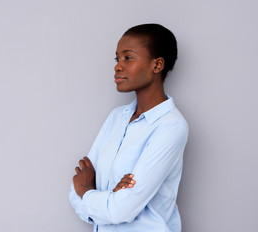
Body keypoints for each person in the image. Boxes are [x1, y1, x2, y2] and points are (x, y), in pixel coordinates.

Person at [69, 24, 189, 232]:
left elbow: (121, 210)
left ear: (157, 65)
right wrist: (109, 198)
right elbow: (74, 191)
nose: (118, 66)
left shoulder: (171, 127)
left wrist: (88, 191)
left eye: (128, 58)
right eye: (117, 59)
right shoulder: (116, 118)